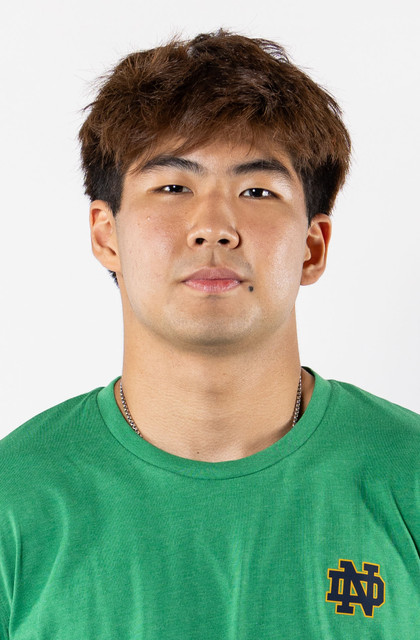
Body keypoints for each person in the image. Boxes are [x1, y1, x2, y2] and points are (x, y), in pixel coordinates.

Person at [0, 29, 418, 640]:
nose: (215, 227)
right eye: (173, 187)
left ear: (313, 246)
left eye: (257, 190)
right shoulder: (15, 500)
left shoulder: (407, 476)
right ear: (106, 235)